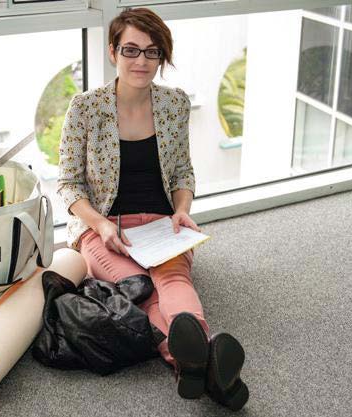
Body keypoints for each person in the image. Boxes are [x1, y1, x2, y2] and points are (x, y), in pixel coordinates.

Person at [57, 7, 249, 411]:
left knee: (174, 280)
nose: (141, 61)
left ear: (162, 57)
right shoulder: (85, 109)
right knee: (142, 289)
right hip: (107, 229)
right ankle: (207, 363)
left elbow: (182, 171)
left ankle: (194, 365)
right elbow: (69, 185)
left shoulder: (174, 104)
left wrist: (181, 210)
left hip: (164, 225)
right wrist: (100, 226)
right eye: (131, 50)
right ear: (113, 52)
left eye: (152, 51)